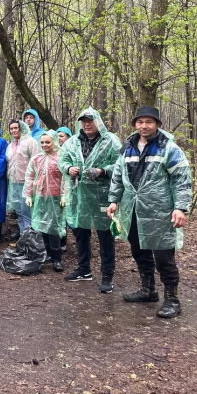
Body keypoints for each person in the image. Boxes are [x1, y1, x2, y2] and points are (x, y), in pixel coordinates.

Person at [107, 107, 192, 318]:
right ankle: (148, 290)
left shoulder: (169, 148)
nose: (144, 126)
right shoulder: (127, 148)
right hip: (134, 210)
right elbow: (118, 176)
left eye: (149, 122)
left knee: (164, 255)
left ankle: (172, 299)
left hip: (160, 211)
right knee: (138, 250)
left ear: (158, 124)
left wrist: (180, 207)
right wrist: (113, 200)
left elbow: (181, 179)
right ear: (134, 124)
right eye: (140, 122)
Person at [58, 107, 121, 293]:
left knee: (105, 236)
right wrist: (69, 168)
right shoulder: (73, 142)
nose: (87, 124)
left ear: (98, 121)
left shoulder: (110, 141)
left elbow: (120, 164)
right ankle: (84, 269)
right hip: (79, 195)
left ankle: (107, 275)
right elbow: (62, 159)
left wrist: (102, 171)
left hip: (103, 195)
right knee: (80, 232)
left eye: (90, 120)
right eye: (83, 120)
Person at [24, 130, 65, 272]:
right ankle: (46, 254)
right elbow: (30, 176)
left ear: (54, 141)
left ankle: (57, 259)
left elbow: (66, 178)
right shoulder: (36, 158)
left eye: (48, 142)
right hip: (40, 197)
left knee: (53, 228)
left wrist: (65, 195)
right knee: (41, 226)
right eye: (42, 142)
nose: (44, 145)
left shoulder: (61, 157)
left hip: (55, 197)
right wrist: (28, 195)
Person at [6, 120, 39, 236]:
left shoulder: (31, 142)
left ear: (22, 128)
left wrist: (33, 181)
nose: (14, 130)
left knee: (27, 212)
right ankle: (22, 237)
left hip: (27, 182)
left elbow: (36, 162)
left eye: (16, 128)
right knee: (19, 212)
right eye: (11, 128)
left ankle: (30, 239)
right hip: (14, 182)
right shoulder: (10, 145)